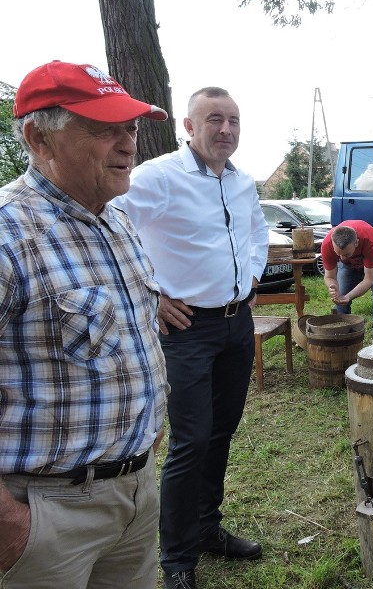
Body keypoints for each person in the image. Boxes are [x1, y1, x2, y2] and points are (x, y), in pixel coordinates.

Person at [0, 61, 169, 588]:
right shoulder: (8, 234)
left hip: (135, 496)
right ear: (39, 138)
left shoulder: (116, 219)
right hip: (46, 514)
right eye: (103, 129)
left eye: (131, 127)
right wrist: (9, 523)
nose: (128, 145)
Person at [112, 87, 268, 589]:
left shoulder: (242, 183)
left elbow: (256, 233)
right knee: (190, 440)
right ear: (188, 126)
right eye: (214, 119)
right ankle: (176, 556)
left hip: (235, 323)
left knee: (221, 432)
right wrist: (150, 294)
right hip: (186, 331)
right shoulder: (158, 177)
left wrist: (252, 276)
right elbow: (110, 223)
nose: (226, 130)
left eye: (234, 121)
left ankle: (206, 528)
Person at [321, 220, 373, 343]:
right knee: (340, 303)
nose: (342, 258)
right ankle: (344, 345)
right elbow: (329, 276)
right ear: (332, 242)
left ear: (356, 243)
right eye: (338, 254)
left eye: (346, 254)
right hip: (349, 266)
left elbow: (368, 280)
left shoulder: (370, 242)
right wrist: (333, 287)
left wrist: (348, 296)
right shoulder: (327, 245)